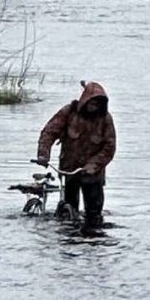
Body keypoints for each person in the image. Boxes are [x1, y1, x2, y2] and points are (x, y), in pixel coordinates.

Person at [36, 80, 116, 229]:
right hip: (69, 170)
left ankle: (92, 239)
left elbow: (109, 148)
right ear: (85, 101)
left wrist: (93, 166)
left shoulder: (106, 119)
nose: (94, 107)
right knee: (68, 213)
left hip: (93, 175)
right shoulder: (68, 113)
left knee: (94, 216)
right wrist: (43, 155)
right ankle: (70, 239)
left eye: (98, 104)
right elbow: (49, 132)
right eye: (92, 103)